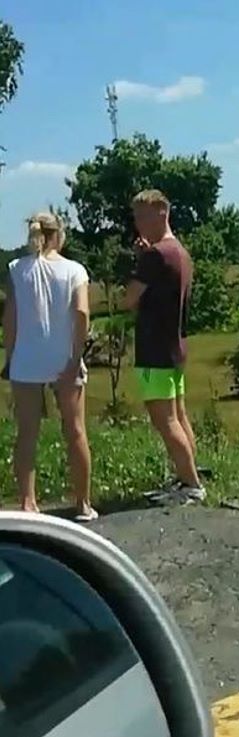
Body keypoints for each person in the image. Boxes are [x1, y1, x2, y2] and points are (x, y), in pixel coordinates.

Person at [2, 212, 96, 521]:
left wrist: (10, 358)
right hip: (63, 358)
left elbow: (10, 319)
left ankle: (28, 502)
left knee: (27, 433)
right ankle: (82, 503)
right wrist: (76, 358)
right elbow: (81, 313)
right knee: (75, 430)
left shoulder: (17, 269)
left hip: (27, 359)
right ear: (59, 235)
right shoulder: (75, 270)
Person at [122, 190, 205, 504]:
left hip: (154, 348)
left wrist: (141, 262)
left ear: (162, 212)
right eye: (136, 217)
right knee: (179, 416)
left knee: (164, 419)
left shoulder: (155, 256)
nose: (138, 223)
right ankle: (187, 477)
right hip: (175, 345)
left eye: (143, 216)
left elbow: (130, 299)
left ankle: (191, 485)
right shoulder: (180, 252)